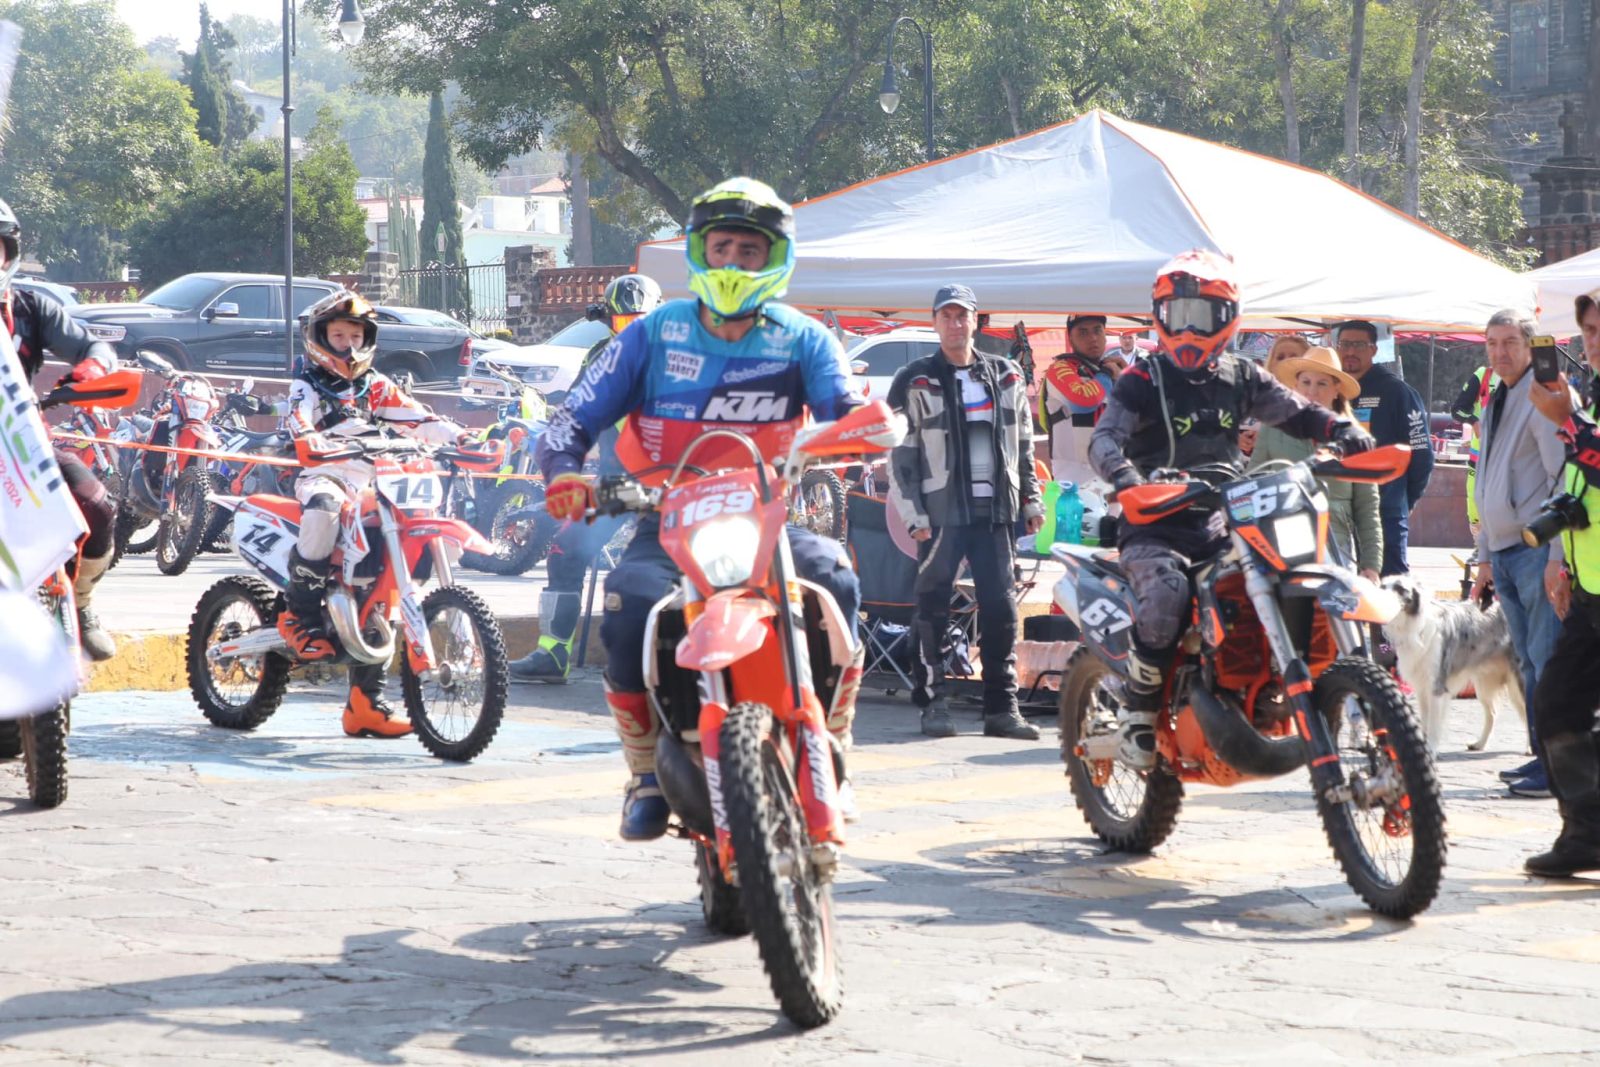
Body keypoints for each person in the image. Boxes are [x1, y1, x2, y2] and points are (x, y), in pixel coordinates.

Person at [535, 177, 865, 842]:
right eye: (723, 247)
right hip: (666, 519)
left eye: (750, 248)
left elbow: (848, 412)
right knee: (627, 610)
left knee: (834, 576)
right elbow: (571, 418)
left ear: (774, 256)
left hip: (765, 521)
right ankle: (643, 771)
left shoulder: (805, 339)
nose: (734, 261)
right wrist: (565, 473)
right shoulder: (652, 335)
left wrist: (868, 430)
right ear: (699, 252)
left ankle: (832, 739)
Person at [1087, 250, 1373, 769]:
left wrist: (1340, 429)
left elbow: (1300, 412)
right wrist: (1127, 479)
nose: (1190, 331)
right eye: (1179, 317)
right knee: (1169, 588)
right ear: (1160, 317)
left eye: (1203, 318)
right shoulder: (1141, 378)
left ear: (1228, 318)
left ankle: (1269, 681)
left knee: (1279, 571)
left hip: (1225, 515)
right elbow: (1105, 438)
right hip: (1154, 519)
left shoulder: (1243, 377)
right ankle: (1138, 711)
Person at [278, 290, 470, 739]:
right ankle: (297, 614)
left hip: (377, 476)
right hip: (325, 473)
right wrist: (309, 438)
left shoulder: (377, 385)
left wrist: (463, 438)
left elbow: (421, 418)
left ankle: (366, 705)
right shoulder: (306, 384)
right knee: (324, 512)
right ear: (319, 338)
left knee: (385, 584)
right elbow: (297, 421)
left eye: (355, 335)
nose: (347, 344)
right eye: (338, 334)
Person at [888, 284, 1045, 740]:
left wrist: (1031, 499)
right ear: (935, 322)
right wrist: (913, 513)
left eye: (963, 316)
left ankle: (1002, 708)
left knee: (1001, 610)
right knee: (932, 608)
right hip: (940, 515)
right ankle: (932, 704)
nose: (956, 324)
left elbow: (1023, 444)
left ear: (976, 320)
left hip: (995, 511)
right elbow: (899, 454)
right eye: (947, 316)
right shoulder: (914, 378)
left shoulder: (1006, 373)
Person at [507, 272, 663, 683]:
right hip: (622, 487)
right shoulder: (601, 359)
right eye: (623, 322)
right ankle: (553, 654)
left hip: (678, 485)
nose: (632, 331)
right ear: (610, 320)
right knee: (566, 547)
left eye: (640, 321)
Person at [1, 199, 120, 661]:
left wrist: (93, 366)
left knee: (95, 504)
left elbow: (93, 343)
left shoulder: (31, 307)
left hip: (21, 443)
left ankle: (82, 600)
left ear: (8, 254)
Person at [1466, 310, 1566, 798]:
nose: (1500, 352)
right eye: (1491, 343)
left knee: (1546, 659)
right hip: (1504, 551)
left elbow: (1560, 479)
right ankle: (1540, 757)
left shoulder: (1541, 397)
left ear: (1530, 346)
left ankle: (1556, 766)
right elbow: (1485, 479)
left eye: (1509, 342)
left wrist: (1557, 556)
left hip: (1535, 549)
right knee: (1528, 660)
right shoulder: (1497, 398)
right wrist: (1483, 555)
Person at [1521, 288, 1600, 874]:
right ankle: (1585, 834)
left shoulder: (1581, 410)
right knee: (1554, 707)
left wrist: (1566, 421)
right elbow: (1580, 475)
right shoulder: (1591, 397)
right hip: (1590, 591)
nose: (1592, 342)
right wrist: (1558, 557)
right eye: (1590, 332)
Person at [1253, 345, 1382, 581]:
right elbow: (1252, 483)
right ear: (1295, 387)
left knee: (1335, 616)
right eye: (1306, 382)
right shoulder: (1271, 430)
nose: (1312, 391)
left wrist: (1371, 565)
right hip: (1282, 544)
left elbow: (1368, 508)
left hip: (1337, 549)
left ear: (1336, 391)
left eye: (1322, 383)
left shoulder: (1356, 439)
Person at [1337, 320, 1434, 576]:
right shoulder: (1330, 389)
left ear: (1374, 350)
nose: (1350, 351)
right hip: (1339, 511)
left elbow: (1422, 454)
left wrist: (1405, 499)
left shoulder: (1396, 391)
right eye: (1345, 344)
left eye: (1358, 345)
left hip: (1385, 512)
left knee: (1392, 591)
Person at [1039, 313, 1121, 485]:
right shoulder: (1060, 368)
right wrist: (1106, 375)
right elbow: (1083, 402)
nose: (1092, 338)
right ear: (1070, 339)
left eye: (1098, 331)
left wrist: (1126, 378)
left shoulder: (1114, 369)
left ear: (1106, 335)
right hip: (1074, 477)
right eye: (1083, 333)